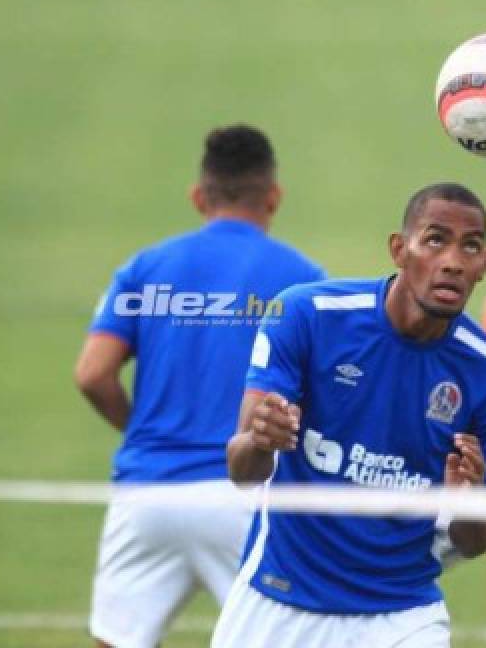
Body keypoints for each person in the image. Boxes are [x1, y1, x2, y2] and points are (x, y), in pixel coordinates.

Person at [210, 182, 486, 648]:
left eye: (471, 246)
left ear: (485, 265)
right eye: (436, 239)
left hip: (401, 615)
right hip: (277, 599)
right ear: (400, 249)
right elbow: (242, 471)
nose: (453, 261)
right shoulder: (307, 316)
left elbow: (476, 540)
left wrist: (468, 500)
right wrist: (259, 440)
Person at [74, 125, 324, 648]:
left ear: (198, 197)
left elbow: (92, 374)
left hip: (147, 492)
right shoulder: (302, 280)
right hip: (245, 499)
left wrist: (140, 429)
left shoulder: (145, 267)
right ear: (273, 197)